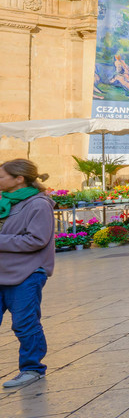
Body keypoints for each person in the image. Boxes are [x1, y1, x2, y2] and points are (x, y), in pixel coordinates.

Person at [0, 159, 55, 388]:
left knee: (24, 322)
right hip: (3, 270)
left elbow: (37, 239)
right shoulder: (5, 202)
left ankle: (32, 369)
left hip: (27, 273)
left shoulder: (38, 205)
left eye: (1, 176)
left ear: (19, 178)